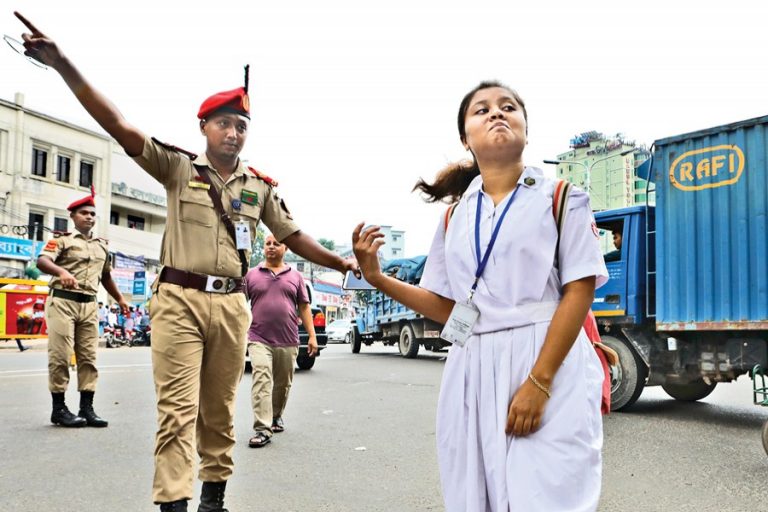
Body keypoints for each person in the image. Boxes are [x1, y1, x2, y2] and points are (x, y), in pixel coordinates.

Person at [14, 12, 356, 511]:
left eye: (241, 125)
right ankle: (173, 501)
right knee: (178, 409)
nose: (234, 133)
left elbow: (293, 234)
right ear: (204, 127)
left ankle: (212, 496)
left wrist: (342, 264)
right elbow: (118, 125)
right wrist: (65, 65)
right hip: (178, 302)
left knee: (218, 409)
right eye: (224, 123)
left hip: (232, 306)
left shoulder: (259, 187)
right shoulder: (177, 167)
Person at [352, 81, 608, 511]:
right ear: (465, 138)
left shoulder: (562, 198)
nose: (496, 113)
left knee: (549, 493)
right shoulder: (455, 216)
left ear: (526, 128)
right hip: (472, 365)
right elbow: (451, 308)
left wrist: (539, 383)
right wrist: (376, 277)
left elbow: (578, 291)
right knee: (477, 495)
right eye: (481, 110)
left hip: (546, 358)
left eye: (508, 107)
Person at [36, 188, 129, 429]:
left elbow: (106, 276)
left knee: (89, 358)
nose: (88, 217)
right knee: (60, 356)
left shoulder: (101, 247)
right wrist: (62, 272)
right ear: (73, 217)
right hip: (63, 302)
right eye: (83, 213)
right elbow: (42, 261)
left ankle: (86, 408)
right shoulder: (62, 240)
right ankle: (59, 409)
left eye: (92, 214)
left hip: (89, 305)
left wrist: (119, 299)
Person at [245, 234, 318, 448]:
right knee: (261, 380)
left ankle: (276, 416)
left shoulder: (295, 277)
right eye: (267, 244)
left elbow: (304, 306)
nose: (271, 247)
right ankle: (262, 428)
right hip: (258, 338)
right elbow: (239, 304)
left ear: (285, 248)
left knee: (282, 384)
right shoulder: (251, 275)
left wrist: (312, 336)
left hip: (288, 340)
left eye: (276, 244)